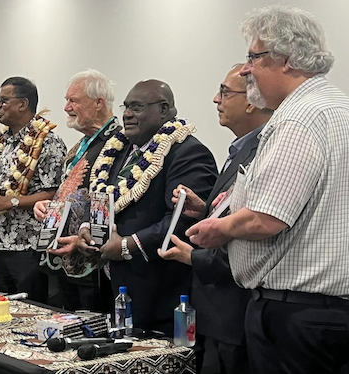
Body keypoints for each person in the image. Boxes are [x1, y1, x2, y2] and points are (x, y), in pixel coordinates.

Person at [187, 6, 349, 374]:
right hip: (329, 312)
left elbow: (266, 218)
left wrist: (218, 229)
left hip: (294, 316)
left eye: (253, 57)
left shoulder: (297, 118)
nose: (246, 69)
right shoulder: (340, 107)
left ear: (287, 60)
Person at [77, 80, 218, 336]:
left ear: (163, 109)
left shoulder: (189, 153)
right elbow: (100, 195)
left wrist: (126, 246)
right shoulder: (119, 150)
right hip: (113, 288)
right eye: (126, 106)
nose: (127, 114)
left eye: (137, 107)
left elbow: (181, 221)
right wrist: (88, 227)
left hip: (160, 293)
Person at [158, 64, 272, 374]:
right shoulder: (241, 149)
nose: (215, 99)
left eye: (224, 92)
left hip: (234, 312)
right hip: (215, 312)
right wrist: (205, 209)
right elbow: (231, 212)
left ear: (250, 101)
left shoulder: (265, 151)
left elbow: (256, 230)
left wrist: (193, 257)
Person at [0, 77, 66, 303]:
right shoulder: (1, 141)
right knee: (5, 311)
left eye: (3, 100)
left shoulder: (48, 141)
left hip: (29, 246)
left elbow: (54, 193)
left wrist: (11, 202)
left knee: (32, 309)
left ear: (22, 104)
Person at [33, 69, 121, 312]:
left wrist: (85, 237)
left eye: (73, 100)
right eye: (66, 100)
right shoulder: (80, 145)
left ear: (98, 103)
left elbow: (111, 202)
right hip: (63, 259)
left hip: (94, 264)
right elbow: (69, 192)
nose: (66, 108)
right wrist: (48, 206)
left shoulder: (119, 144)